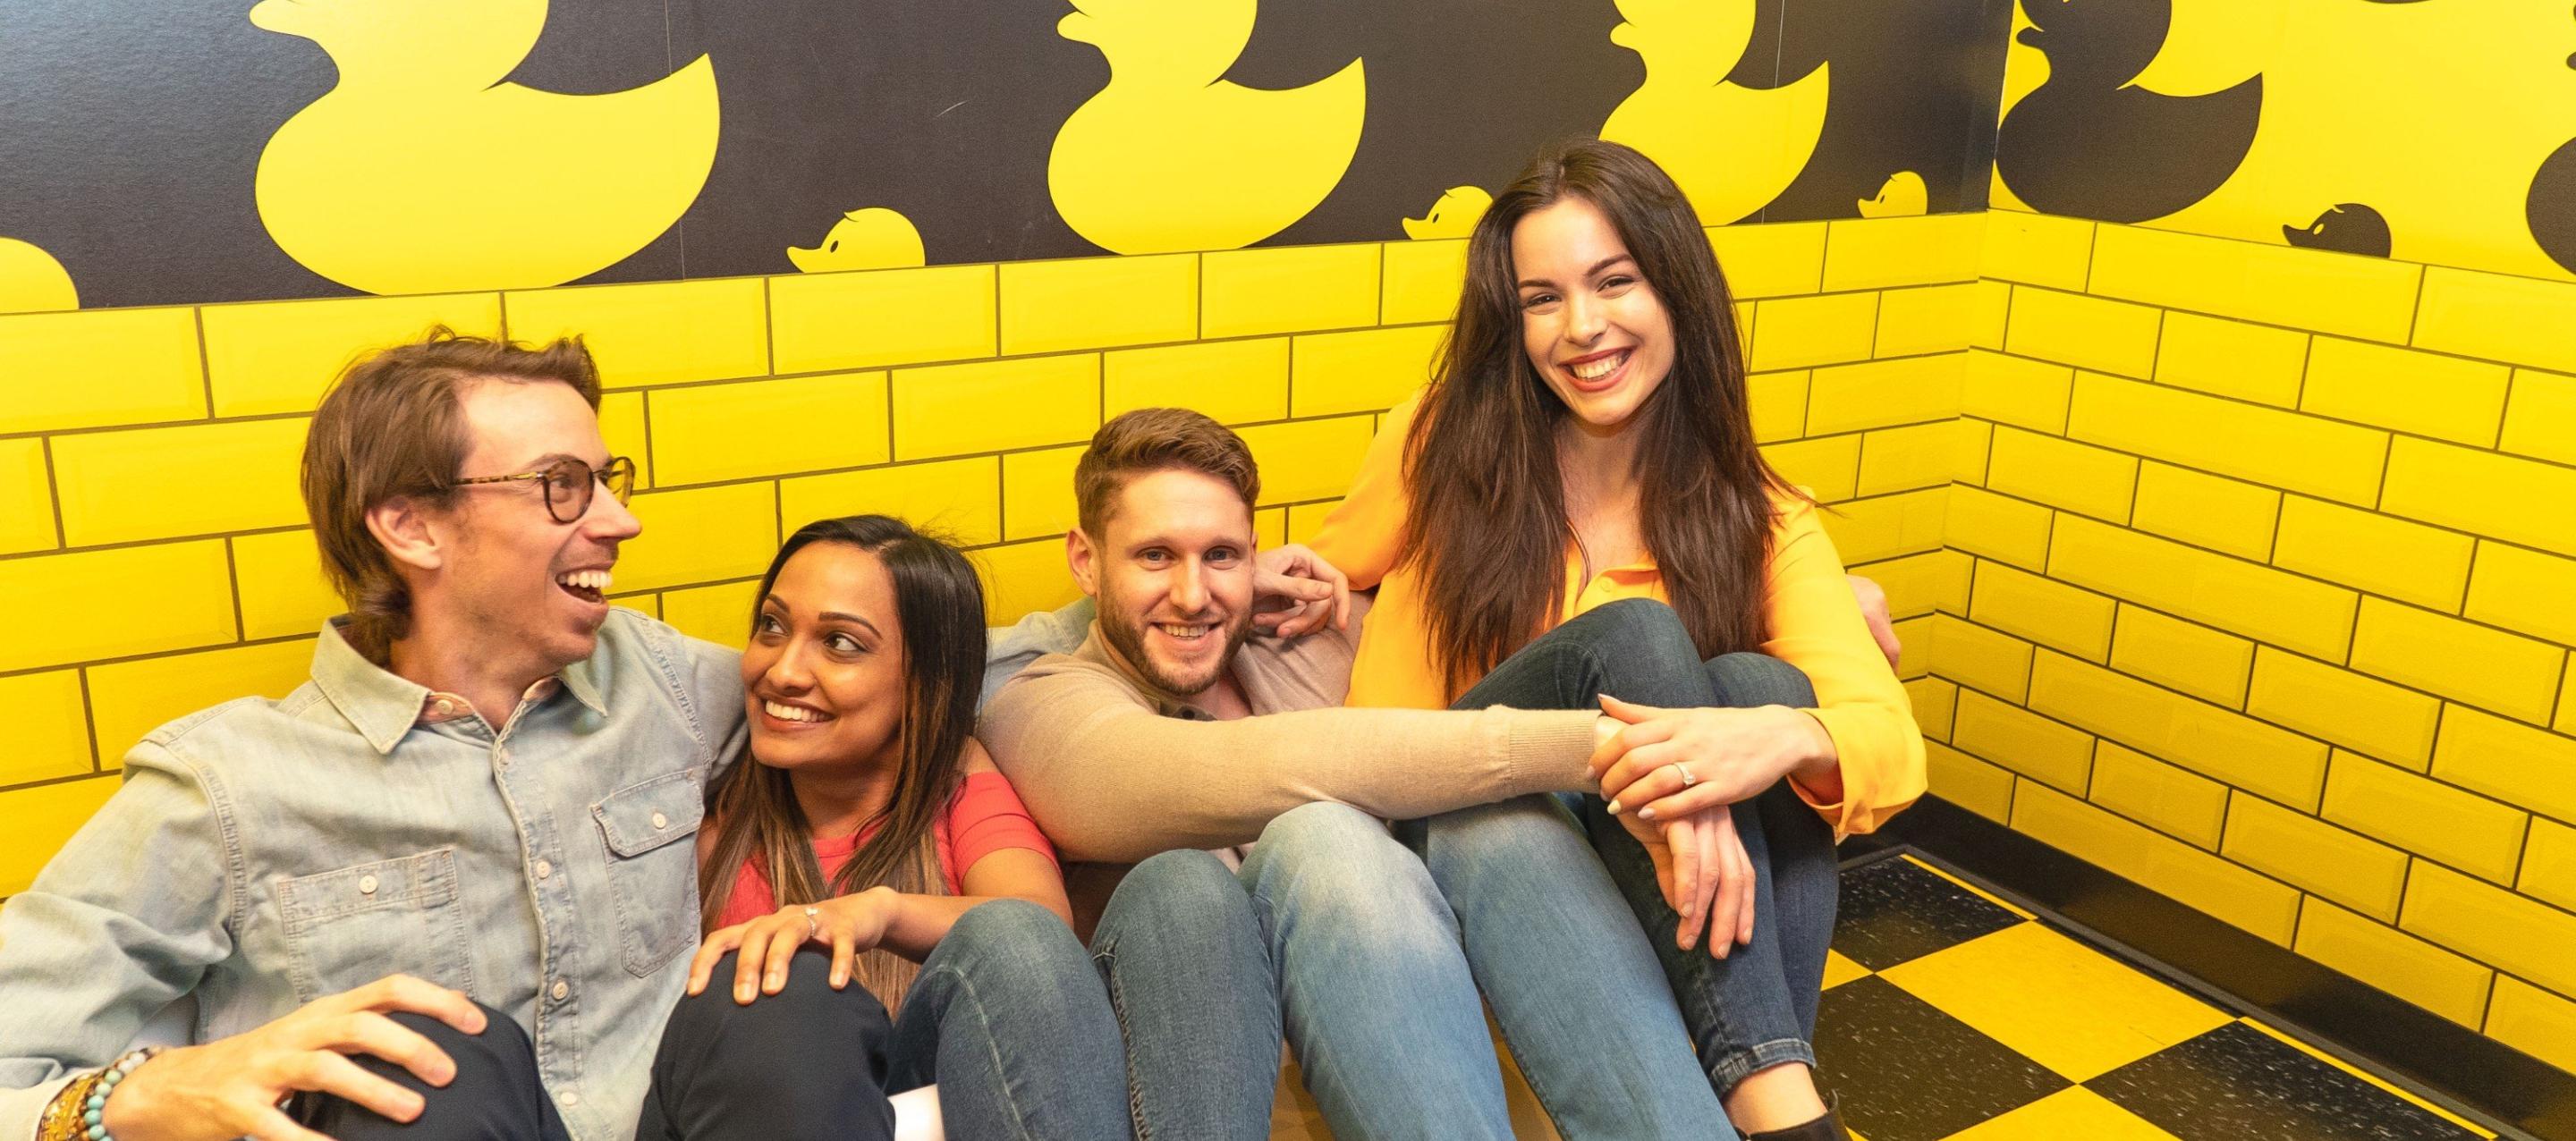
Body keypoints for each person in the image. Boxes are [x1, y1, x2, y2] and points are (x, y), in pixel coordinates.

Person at [4, 330, 907, 1141]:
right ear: (411, 525)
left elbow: (920, 690)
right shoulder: (226, 786)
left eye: (607, 479)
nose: (619, 521)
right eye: (563, 485)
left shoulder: (666, 684)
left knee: (786, 994)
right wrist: (140, 1092)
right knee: (417, 1055)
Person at [1306, 138, 1928, 1141]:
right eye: (1541, 298)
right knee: (1633, 638)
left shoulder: (1761, 517)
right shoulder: (1440, 439)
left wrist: (1770, 738)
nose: (1582, 327)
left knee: (1759, 685)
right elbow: (1326, 565)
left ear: (1677, 289)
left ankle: (1766, 1092)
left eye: (1614, 281)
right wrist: (1247, 578)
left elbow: (1889, 742)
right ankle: (1782, 1107)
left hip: (1633, 858)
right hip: (1447, 798)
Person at [979, 408, 1799, 1140]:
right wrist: (1608, 749)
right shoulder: (1037, 702)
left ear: (1254, 556)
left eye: (1219, 555)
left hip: (1454, 944)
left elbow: (1516, 646)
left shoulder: (1302, 634)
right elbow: (1272, 766)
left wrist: (1781, 646)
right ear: (1086, 561)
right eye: (1155, 556)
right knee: (1325, 834)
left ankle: (1772, 1101)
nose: (1192, 594)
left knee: (1714, 702)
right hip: (1262, 999)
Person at [663, 515, 1272, 1140]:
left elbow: (1038, 920)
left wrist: (881, 912)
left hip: (990, 1098)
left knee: (1183, 887)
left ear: (926, 681)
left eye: (840, 643)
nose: (784, 671)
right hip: (826, 1119)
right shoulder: (711, 829)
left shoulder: (955, 778)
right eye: (772, 626)